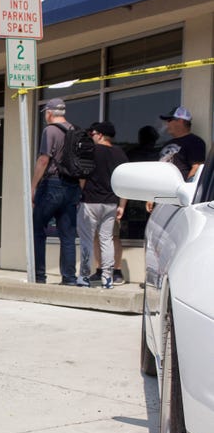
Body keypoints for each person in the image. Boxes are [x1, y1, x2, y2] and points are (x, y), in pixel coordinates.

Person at [31, 97, 81, 285]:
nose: (45, 115)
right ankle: (69, 278)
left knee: (38, 230)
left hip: (52, 184)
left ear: (50, 113)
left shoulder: (50, 130)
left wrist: (33, 186)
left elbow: (44, 160)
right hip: (72, 186)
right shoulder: (75, 130)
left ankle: (38, 276)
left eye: (45, 113)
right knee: (68, 235)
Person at [76, 122, 128, 290]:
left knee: (86, 240)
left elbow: (83, 176)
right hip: (111, 203)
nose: (91, 136)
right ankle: (107, 278)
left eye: (93, 134)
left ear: (99, 135)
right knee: (107, 240)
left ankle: (84, 277)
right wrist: (122, 205)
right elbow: (125, 182)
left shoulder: (92, 151)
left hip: (90, 201)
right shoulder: (120, 153)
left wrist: (78, 195)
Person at [158, 106, 205, 180]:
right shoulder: (167, 144)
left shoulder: (195, 141)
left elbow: (197, 167)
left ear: (181, 121)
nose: (167, 124)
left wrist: (187, 186)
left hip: (177, 190)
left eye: (169, 120)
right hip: (161, 188)